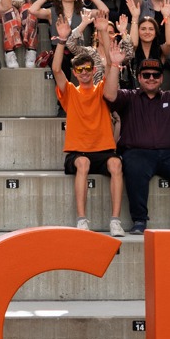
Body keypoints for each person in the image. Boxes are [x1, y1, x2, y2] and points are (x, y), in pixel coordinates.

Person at [103, 45, 170, 234]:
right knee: (134, 169)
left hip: (169, 154)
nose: (151, 78)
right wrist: (115, 65)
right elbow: (109, 95)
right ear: (139, 78)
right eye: (147, 75)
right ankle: (139, 220)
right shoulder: (130, 96)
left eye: (156, 75)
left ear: (161, 79)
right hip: (137, 152)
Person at [53, 41, 125, 237]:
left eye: (87, 69)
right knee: (83, 164)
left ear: (93, 71)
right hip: (79, 152)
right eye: (80, 69)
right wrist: (61, 41)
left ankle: (115, 221)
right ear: (75, 72)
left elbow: (111, 67)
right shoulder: (70, 92)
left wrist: (103, 33)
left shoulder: (102, 89)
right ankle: (82, 219)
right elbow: (56, 68)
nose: (84, 72)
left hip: (103, 150)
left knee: (116, 165)